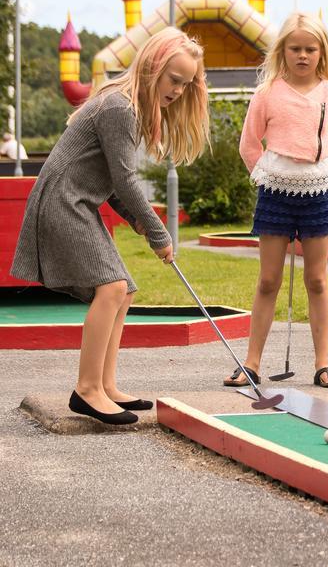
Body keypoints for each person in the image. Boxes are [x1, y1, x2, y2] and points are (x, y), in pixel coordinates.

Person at [12, 28, 209, 425]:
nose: (178, 91)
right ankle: (86, 390)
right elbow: (125, 180)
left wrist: (136, 218)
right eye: (174, 80)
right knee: (112, 287)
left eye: (186, 85)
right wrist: (157, 232)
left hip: (79, 201)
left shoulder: (127, 107)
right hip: (64, 202)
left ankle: (105, 385)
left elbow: (111, 181)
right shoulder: (119, 107)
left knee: (125, 291)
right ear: (154, 67)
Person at [224, 12, 328, 390]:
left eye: (310, 49)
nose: (302, 55)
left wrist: (326, 171)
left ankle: (322, 365)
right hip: (275, 193)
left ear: (322, 52)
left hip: (318, 193)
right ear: (282, 51)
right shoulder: (267, 93)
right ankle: (251, 364)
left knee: (316, 280)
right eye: (295, 48)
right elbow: (249, 144)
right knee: (268, 279)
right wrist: (266, 172)